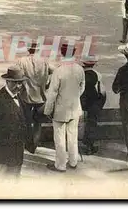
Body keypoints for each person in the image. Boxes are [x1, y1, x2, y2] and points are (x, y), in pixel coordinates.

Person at [44, 43, 85, 172]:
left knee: (60, 138)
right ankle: (73, 161)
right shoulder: (79, 69)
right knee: (73, 136)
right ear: (73, 53)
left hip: (60, 109)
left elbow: (52, 93)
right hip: (74, 107)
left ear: (62, 53)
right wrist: (74, 97)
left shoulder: (59, 70)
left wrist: (48, 110)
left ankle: (60, 165)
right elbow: (81, 87)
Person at [0, 66, 28, 181]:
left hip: (17, 150)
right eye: (15, 83)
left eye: (20, 83)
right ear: (8, 81)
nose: (19, 86)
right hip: (4, 152)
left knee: (15, 181)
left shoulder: (19, 96)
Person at [16, 41, 52, 154]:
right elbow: (54, 71)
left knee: (26, 121)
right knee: (38, 123)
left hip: (26, 95)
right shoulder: (44, 61)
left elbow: (16, 75)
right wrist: (47, 84)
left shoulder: (21, 61)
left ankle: (27, 142)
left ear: (28, 50)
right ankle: (34, 145)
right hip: (41, 96)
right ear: (37, 50)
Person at [80, 57, 106, 155]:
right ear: (94, 64)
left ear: (84, 64)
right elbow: (102, 91)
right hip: (93, 101)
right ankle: (89, 146)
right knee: (92, 123)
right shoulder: (98, 75)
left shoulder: (80, 74)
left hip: (81, 101)